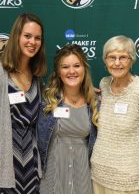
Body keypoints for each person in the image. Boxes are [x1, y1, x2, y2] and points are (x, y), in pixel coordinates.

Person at [0, 13, 47, 194]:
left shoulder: (37, 78)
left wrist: (87, 91)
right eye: (27, 36)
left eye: (38, 38)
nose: (33, 42)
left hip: (30, 169)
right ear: (16, 37)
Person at [91, 35, 139, 193]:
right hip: (98, 172)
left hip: (128, 177)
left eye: (123, 57)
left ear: (132, 60)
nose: (116, 63)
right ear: (105, 60)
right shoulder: (104, 84)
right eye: (111, 57)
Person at [37, 44, 98, 194]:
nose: (71, 71)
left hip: (82, 176)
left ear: (84, 68)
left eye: (77, 66)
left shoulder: (95, 102)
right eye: (65, 67)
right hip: (53, 175)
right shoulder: (47, 100)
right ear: (58, 71)